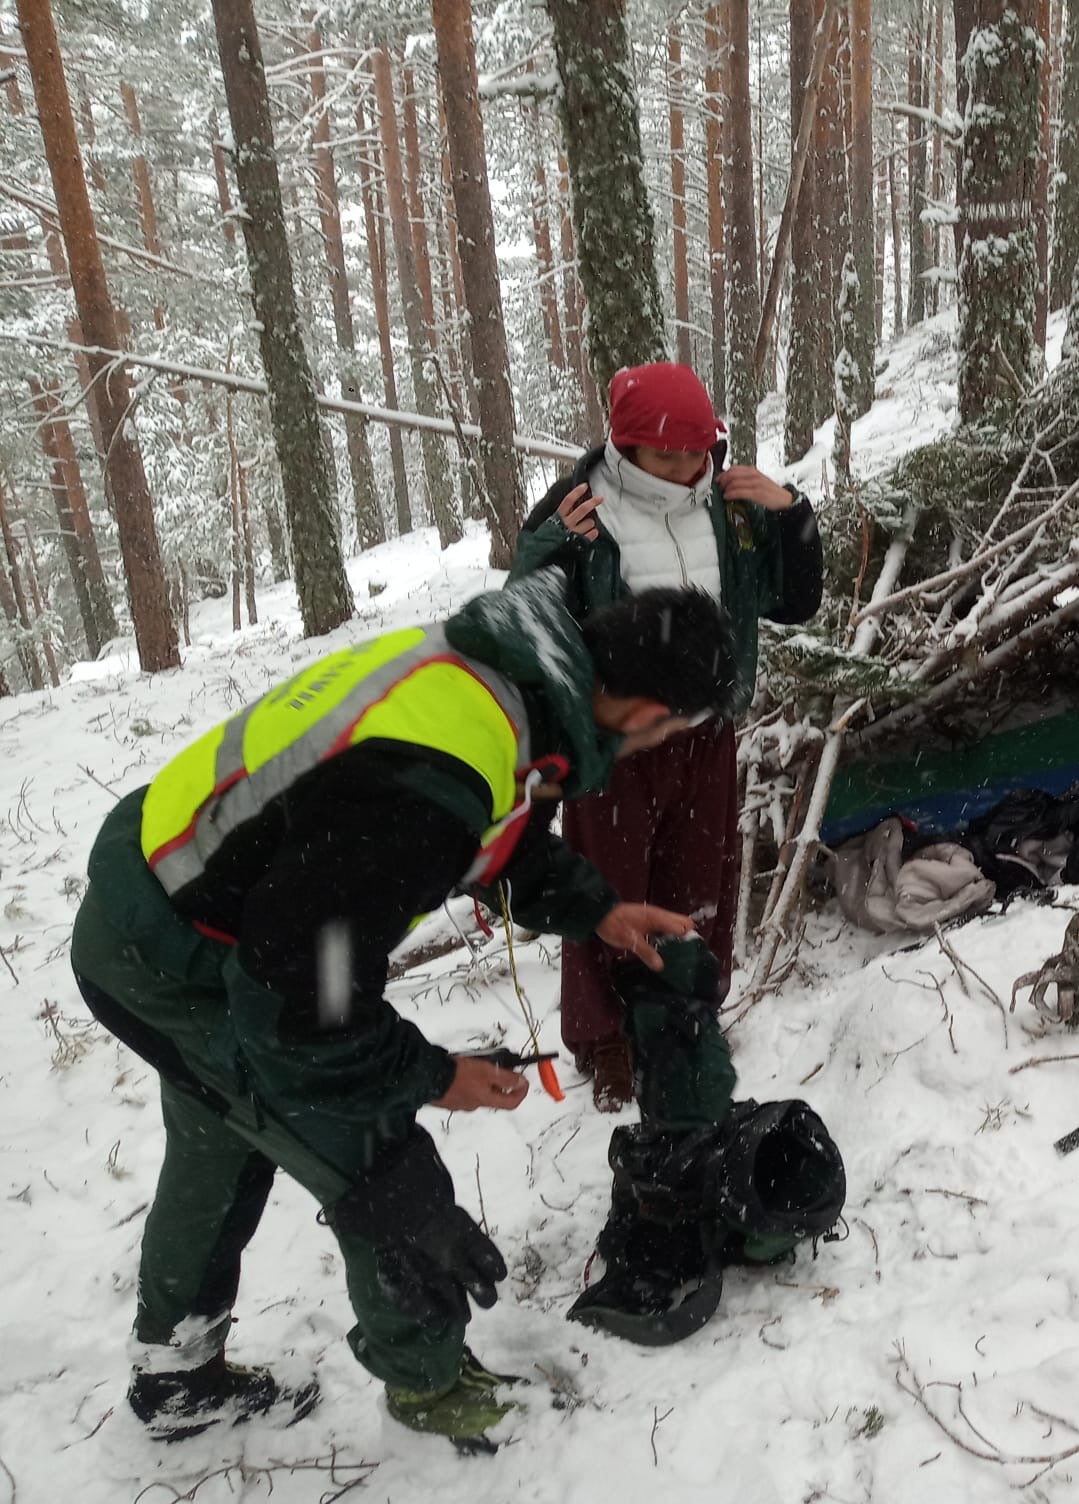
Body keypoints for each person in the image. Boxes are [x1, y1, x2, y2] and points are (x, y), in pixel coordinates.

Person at [71, 570, 738, 1451]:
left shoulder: (506, 686)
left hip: (170, 888)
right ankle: (430, 1387)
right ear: (650, 714)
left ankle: (174, 1374)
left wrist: (597, 911)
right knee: (379, 1164)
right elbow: (307, 1010)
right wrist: (432, 1076)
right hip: (178, 954)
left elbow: (495, 837)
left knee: (219, 1131)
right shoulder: (431, 780)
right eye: (673, 733)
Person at [512, 361, 823, 1111]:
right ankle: (607, 1040)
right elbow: (525, 611)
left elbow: (796, 601)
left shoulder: (732, 503)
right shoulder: (578, 502)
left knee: (699, 878)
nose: (688, 468)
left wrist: (792, 514)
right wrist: (547, 545)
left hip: (706, 725)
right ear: (626, 445)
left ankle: (689, 1008)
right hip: (614, 737)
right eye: (668, 455)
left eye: (698, 450)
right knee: (607, 886)